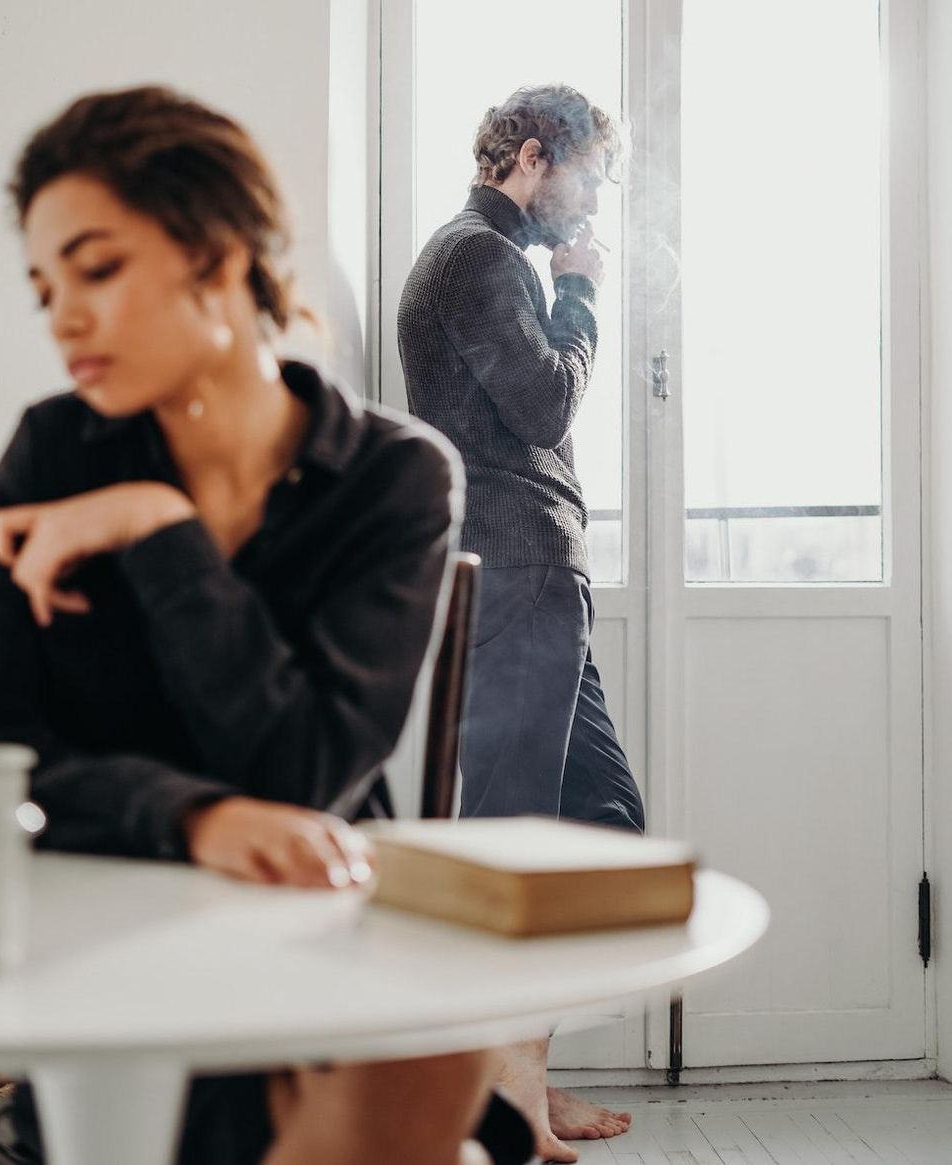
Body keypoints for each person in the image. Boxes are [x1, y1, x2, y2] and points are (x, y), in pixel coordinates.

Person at [0, 86, 533, 1165]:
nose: (64, 318)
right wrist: (189, 816)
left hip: (314, 940)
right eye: (46, 287)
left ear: (220, 257)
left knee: (417, 1066)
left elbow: (304, 769)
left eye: (97, 268)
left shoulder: (393, 476)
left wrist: (157, 528)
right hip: (98, 941)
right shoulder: (52, 453)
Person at [397, 84, 645, 1162]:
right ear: (534, 157)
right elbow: (544, 402)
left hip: (536, 576)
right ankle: (500, 1103)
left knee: (601, 823)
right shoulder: (476, 257)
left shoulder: (484, 260)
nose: (590, 201)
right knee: (514, 842)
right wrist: (582, 296)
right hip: (515, 574)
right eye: (588, 174)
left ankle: (515, 1081)